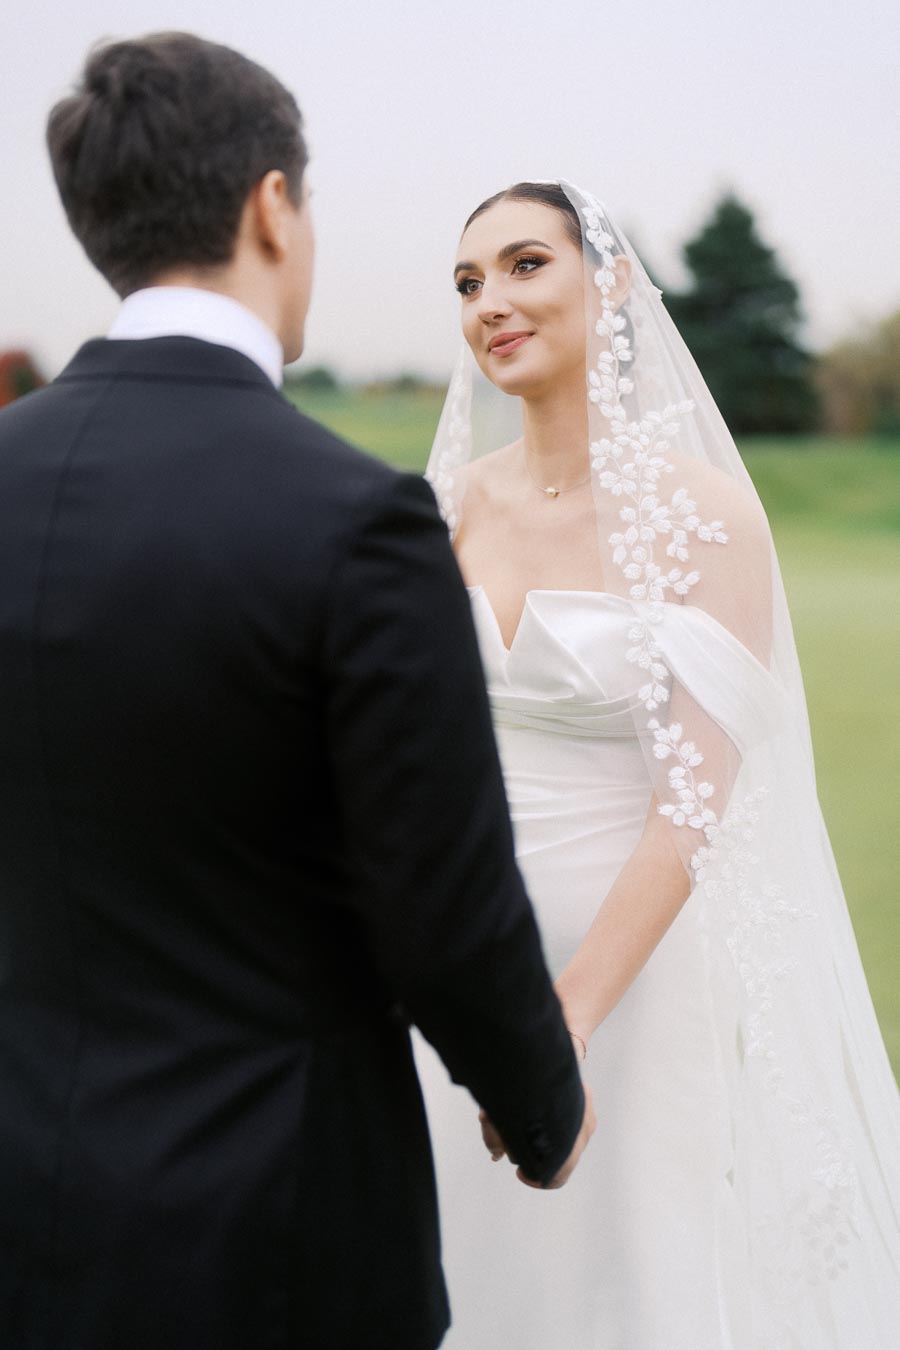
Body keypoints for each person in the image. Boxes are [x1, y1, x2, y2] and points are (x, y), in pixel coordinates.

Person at [0, 41, 595, 1350]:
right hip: (278, 1233)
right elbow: (443, 898)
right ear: (274, 207)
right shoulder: (354, 518)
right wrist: (542, 1107)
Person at [418, 180, 900, 1349]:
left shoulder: (705, 515)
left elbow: (694, 805)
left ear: (612, 279)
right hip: (456, 972)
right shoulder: (441, 511)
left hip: (626, 980)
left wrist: (566, 1023)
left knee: (624, 1277)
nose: (492, 302)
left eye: (527, 264)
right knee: (464, 1275)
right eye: (470, 283)